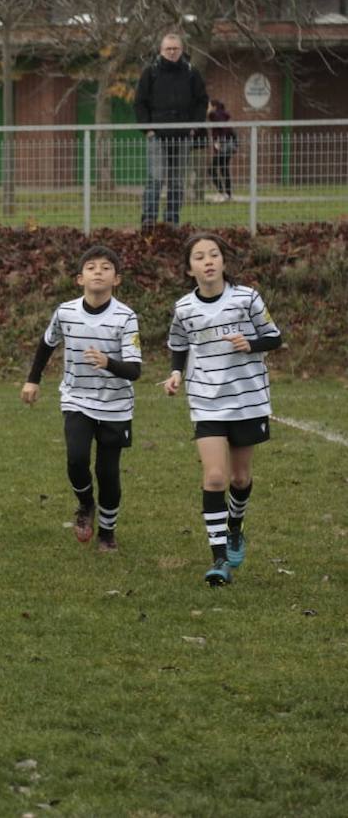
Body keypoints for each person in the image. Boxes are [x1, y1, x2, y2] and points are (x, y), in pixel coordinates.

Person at [164, 232, 282, 587]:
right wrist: (174, 374)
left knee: (239, 479)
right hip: (206, 400)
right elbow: (178, 345)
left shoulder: (247, 298)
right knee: (215, 477)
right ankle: (218, 560)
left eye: (214, 255)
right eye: (199, 257)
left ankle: (235, 527)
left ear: (224, 263)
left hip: (247, 399)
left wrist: (251, 343)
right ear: (190, 269)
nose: (208, 261)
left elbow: (275, 337)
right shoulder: (184, 307)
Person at [20, 245, 141, 552]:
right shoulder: (66, 312)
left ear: (117, 279)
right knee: (76, 458)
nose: (98, 271)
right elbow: (47, 343)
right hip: (76, 398)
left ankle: (107, 533)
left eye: (105, 267)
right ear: (79, 279)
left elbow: (135, 370)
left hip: (115, 405)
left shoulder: (126, 317)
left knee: (108, 472)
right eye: (91, 267)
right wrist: (33, 380)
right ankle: (86, 505)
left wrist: (107, 362)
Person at [134, 33, 208, 228]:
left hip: (183, 136)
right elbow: (140, 102)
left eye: (175, 48)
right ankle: (149, 220)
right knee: (155, 180)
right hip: (157, 136)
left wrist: (194, 126)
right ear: (161, 50)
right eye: (168, 49)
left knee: (177, 182)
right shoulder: (150, 73)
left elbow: (202, 101)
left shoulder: (192, 73)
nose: (172, 52)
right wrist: (148, 129)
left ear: (182, 50)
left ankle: (172, 220)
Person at [206, 99, 236, 203]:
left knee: (212, 169)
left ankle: (221, 192)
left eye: (209, 106)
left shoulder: (215, 115)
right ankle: (227, 194)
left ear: (213, 107)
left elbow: (222, 127)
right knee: (224, 169)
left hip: (223, 147)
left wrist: (219, 141)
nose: (207, 109)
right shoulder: (223, 115)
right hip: (228, 146)